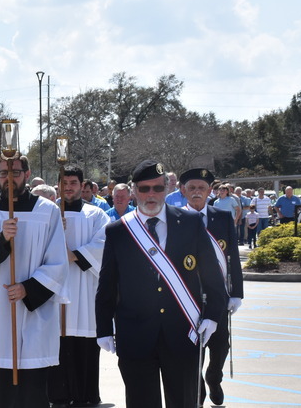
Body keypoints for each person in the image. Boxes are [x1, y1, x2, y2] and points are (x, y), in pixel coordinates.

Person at [96, 160, 227, 408]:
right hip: (134, 335)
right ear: (134, 190)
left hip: (183, 332)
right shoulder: (118, 231)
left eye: (157, 188)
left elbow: (212, 275)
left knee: (184, 402)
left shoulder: (190, 223)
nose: (151, 195)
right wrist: (103, 327)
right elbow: (107, 285)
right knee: (141, 402)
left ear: (167, 187)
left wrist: (212, 315)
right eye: (144, 189)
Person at [0, 152, 68, 407]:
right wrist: (0, 240)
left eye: (15, 172)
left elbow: (58, 262)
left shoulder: (47, 211)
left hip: (34, 313)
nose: (9, 178)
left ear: (27, 175)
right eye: (4, 173)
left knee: (31, 384)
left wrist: (28, 289)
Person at [179, 169, 244, 406]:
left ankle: (214, 377)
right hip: (186, 294)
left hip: (217, 295)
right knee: (191, 348)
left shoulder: (222, 218)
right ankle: (197, 390)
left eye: (202, 188)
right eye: (192, 188)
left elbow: (233, 257)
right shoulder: (174, 218)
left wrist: (236, 292)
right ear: (183, 190)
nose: (197, 192)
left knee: (220, 344)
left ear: (210, 192)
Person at [48, 164, 110, 408]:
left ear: (82, 186)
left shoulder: (96, 215)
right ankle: (58, 395)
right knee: (58, 346)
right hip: (55, 289)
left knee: (84, 345)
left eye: (74, 183)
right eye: (64, 183)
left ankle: (86, 395)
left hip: (84, 291)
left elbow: (103, 246)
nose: (69, 188)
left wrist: (70, 255)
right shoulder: (49, 213)